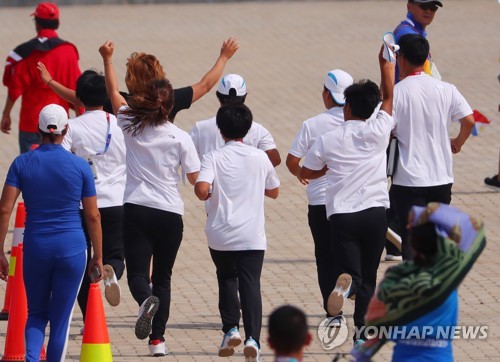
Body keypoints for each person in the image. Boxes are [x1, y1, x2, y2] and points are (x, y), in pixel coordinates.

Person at [99, 40, 200, 357]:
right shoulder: (181, 137)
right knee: (165, 279)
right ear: (170, 105)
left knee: (139, 275)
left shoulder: (129, 121)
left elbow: (114, 93)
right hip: (171, 214)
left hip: (137, 210)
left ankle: (145, 302)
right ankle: (158, 341)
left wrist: (108, 60)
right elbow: (198, 181)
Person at [301, 46, 395, 345]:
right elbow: (389, 97)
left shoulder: (330, 138)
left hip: (342, 215)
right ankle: (362, 332)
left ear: (347, 107)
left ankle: (344, 286)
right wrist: (386, 65)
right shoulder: (379, 130)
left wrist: (321, 172)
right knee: (370, 276)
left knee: (348, 269)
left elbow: (306, 169)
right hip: (376, 212)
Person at [0, 104, 103, 362]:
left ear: (38, 129)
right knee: (60, 320)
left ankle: (32, 359)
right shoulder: (80, 166)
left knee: (36, 313)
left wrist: (0, 251)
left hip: (37, 247)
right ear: (66, 129)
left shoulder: (21, 163)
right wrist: (98, 255)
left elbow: (4, 210)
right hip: (72, 248)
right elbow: (92, 215)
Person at [37, 63, 126, 321]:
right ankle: (112, 274)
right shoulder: (121, 123)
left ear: (80, 99)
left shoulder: (72, 127)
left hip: (82, 205)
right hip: (116, 200)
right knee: (115, 255)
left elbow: (59, 160)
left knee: (83, 261)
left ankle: (90, 320)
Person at [194, 104, 279, 361]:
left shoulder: (213, 157)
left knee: (227, 279)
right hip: (252, 235)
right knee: (250, 284)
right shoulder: (260, 157)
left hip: (220, 233)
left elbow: (201, 189)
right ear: (248, 128)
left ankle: (231, 328)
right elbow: (274, 191)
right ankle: (253, 338)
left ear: (220, 130)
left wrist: (208, 191)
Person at [352, 203, 486, 361]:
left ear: (412, 243)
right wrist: (424, 212)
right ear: (441, 245)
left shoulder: (395, 282)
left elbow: (374, 322)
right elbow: (475, 229)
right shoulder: (447, 277)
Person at [390, 34, 474, 260]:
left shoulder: (398, 92)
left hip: (408, 180)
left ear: (402, 60)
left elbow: (384, 129)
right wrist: (457, 142)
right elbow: (469, 120)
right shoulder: (446, 88)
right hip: (441, 178)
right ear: (426, 58)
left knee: (412, 239)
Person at [286, 69, 353, 325]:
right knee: (350, 256)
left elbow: (293, 160)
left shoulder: (312, 124)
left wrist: (302, 175)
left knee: (324, 258)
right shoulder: (360, 122)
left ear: (326, 95)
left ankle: (333, 314)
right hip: (351, 203)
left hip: (319, 203)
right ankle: (353, 288)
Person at [1, 2, 81, 153]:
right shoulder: (69, 51)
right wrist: (80, 116)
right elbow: (77, 89)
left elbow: (14, 88)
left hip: (31, 124)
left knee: (30, 172)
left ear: (37, 23)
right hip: (60, 124)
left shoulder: (24, 52)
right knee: (59, 171)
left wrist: (6, 114)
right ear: (57, 23)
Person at [103, 37, 239, 122]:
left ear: (132, 81)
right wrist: (224, 57)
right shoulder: (167, 100)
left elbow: (113, 91)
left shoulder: (123, 104)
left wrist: (107, 59)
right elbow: (205, 85)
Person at [191, 73, 281, 167]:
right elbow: (275, 159)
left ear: (218, 96)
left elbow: (186, 158)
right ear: (244, 97)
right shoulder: (259, 130)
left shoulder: (200, 128)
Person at [393, 0, 443, 82]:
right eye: (424, 6)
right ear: (409, 7)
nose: (428, 11)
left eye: (433, 7)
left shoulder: (411, 30)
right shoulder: (408, 34)